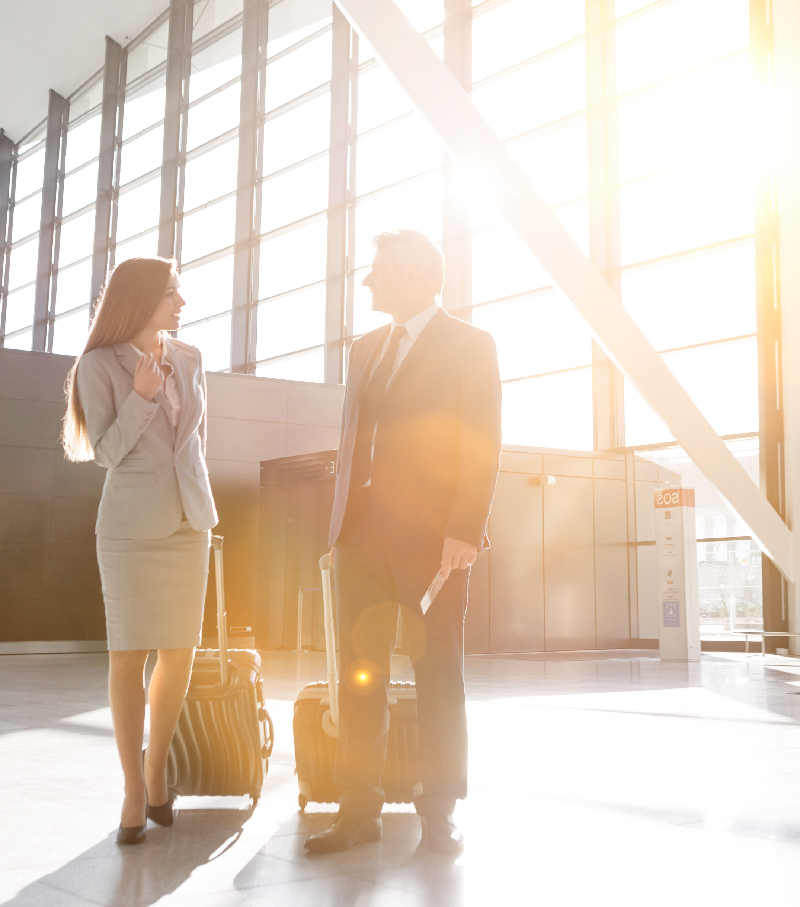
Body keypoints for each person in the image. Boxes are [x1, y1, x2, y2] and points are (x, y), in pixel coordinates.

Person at [304, 230, 502, 856]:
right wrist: (338, 530)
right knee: (359, 677)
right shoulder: (364, 349)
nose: (368, 281)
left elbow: (482, 441)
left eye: (379, 271)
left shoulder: (471, 345)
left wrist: (464, 530)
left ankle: (438, 813)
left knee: (438, 672)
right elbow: (353, 442)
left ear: (416, 274)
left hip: (433, 545)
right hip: (361, 539)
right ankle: (357, 808)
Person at [62, 257, 218, 845]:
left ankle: (157, 772)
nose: (181, 305)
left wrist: (201, 506)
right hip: (129, 529)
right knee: (128, 655)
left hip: (187, 524)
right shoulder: (97, 366)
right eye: (173, 294)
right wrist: (142, 396)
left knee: (179, 652)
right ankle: (133, 789)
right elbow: (104, 452)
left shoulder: (193, 358)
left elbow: (200, 440)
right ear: (142, 298)